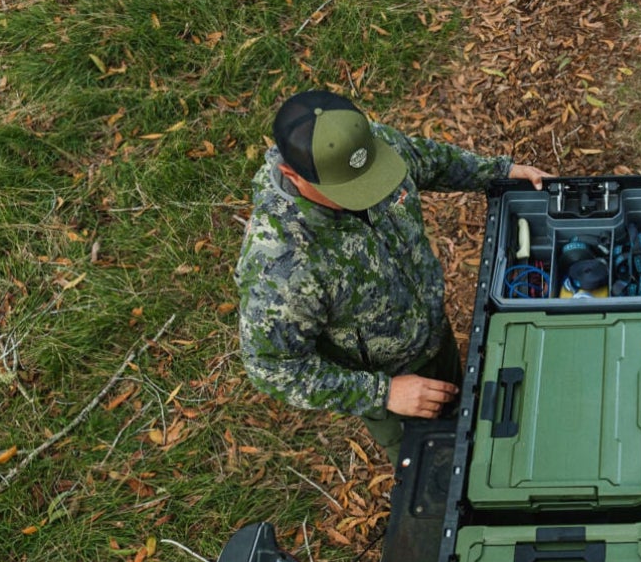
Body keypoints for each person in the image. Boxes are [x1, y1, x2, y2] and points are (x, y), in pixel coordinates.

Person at [234, 90, 550, 451]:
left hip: (435, 332)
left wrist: (500, 172)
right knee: (434, 467)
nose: (370, 193)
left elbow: (432, 160)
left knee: (469, 419)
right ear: (292, 174)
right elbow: (271, 367)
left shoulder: (367, 148)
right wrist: (382, 393)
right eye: (349, 189)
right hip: (393, 388)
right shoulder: (280, 263)